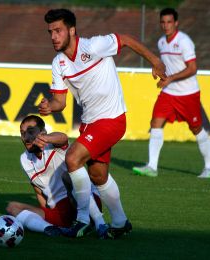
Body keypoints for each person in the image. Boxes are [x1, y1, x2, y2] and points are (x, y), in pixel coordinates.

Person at [39, 9, 166, 238]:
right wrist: (50, 106)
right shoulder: (58, 63)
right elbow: (60, 102)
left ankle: (82, 220)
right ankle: (120, 222)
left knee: (72, 158)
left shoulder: (94, 46)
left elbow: (125, 39)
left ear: (72, 30)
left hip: (112, 120)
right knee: (98, 176)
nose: (53, 36)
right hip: (90, 123)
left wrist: (156, 61)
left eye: (58, 31)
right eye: (50, 32)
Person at [132, 8, 210, 178]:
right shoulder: (161, 42)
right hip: (169, 93)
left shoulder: (184, 41)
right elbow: (165, 64)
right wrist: (157, 69)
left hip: (188, 93)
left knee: (196, 128)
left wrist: (171, 78)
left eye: (169, 22)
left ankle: (209, 167)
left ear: (176, 23)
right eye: (163, 22)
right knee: (155, 123)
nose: (166, 25)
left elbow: (192, 69)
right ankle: (152, 167)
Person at [6, 115, 111, 239]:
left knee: (68, 177)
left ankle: (100, 224)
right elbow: (39, 191)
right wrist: (46, 213)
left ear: (42, 132)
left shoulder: (53, 144)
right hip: (59, 210)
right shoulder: (24, 159)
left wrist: (46, 138)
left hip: (84, 201)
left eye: (30, 131)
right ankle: (51, 229)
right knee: (12, 207)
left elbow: (63, 138)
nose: (26, 137)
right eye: (22, 133)